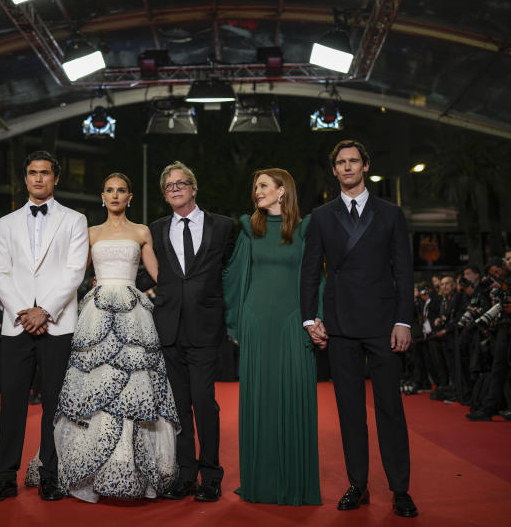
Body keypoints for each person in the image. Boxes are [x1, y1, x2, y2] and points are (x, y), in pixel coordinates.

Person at [300, 139, 417, 518]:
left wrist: (404, 320)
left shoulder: (390, 213)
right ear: (334, 170)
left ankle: (400, 489)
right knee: (350, 410)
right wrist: (308, 317)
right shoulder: (320, 215)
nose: (347, 167)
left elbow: (403, 270)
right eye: (341, 162)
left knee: (390, 409)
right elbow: (309, 271)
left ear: (365, 165)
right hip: (340, 323)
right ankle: (358, 484)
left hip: (384, 323)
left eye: (354, 161)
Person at [53, 173, 179, 502]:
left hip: (134, 315)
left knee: (136, 385)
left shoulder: (141, 231)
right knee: (95, 383)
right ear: (102, 196)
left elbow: (160, 276)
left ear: (130, 196)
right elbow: (74, 276)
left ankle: (134, 467)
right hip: (96, 314)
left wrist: (193, 293)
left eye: (121, 190)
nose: (115, 195)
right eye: (109, 190)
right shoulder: (90, 233)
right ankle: (92, 469)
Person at [0, 151, 89, 504]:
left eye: (44, 173)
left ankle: (50, 478)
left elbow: (75, 271)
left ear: (56, 178)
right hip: (16, 325)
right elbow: (0, 273)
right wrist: (25, 312)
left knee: (55, 405)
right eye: (31, 173)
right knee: (12, 403)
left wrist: (46, 311)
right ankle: (4, 478)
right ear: (25, 178)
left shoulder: (75, 219)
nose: (38, 178)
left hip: (58, 323)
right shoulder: (6, 223)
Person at [222, 168, 321, 505]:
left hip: (294, 322)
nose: (256, 191)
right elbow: (235, 275)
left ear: (282, 191)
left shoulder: (306, 228)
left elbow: (315, 277)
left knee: (294, 395)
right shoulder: (250, 228)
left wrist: (315, 318)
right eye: (254, 187)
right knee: (260, 399)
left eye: (263, 185)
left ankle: (295, 480)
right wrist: (235, 321)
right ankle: (260, 481)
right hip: (256, 321)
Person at [149, 161, 235, 502]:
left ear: (194, 188)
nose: (175, 188)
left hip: (205, 327)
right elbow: (148, 273)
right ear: (164, 193)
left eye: (181, 183)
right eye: (169, 185)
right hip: (168, 328)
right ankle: (185, 475)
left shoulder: (224, 227)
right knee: (179, 408)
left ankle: (211, 475)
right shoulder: (155, 229)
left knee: (203, 402)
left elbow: (231, 272)